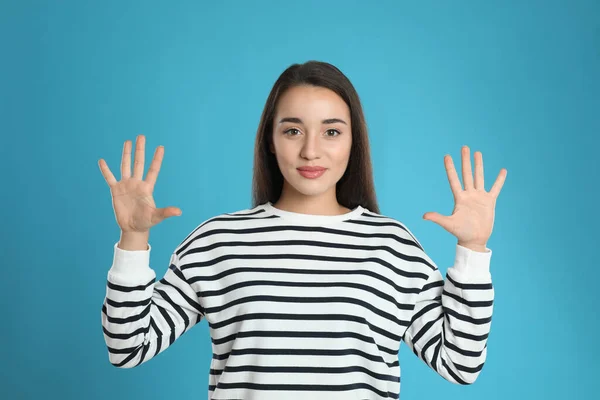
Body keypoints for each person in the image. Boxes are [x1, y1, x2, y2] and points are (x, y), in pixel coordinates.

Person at [98, 61, 507, 400]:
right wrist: (134, 240)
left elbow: (460, 363)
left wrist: (473, 249)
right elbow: (127, 347)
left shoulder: (392, 247)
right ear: (271, 141)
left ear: (354, 141)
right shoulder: (218, 242)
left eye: (332, 131)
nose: (311, 150)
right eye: (293, 130)